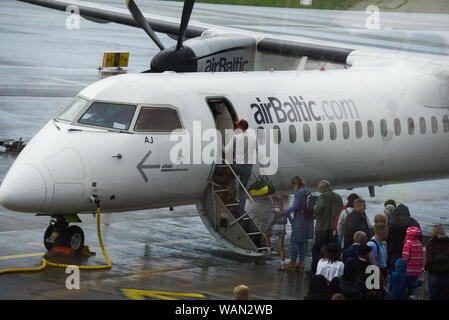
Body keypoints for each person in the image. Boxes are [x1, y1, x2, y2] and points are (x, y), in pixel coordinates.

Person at [224, 119, 257, 216]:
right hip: (248, 168)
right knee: (243, 190)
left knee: (231, 175)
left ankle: (232, 189)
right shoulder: (254, 138)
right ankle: (240, 210)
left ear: (239, 128)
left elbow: (226, 150)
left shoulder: (236, 137)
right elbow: (259, 151)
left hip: (237, 165)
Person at [311, 180, 343, 273]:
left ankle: (315, 269)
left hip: (322, 228)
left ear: (322, 188)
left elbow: (318, 208)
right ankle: (331, 269)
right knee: (331, 250)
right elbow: (341, 210)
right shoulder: (338, 197)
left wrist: (316, 215)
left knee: (317, 249)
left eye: (320, 189)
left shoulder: (322, 196)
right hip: (333, 228)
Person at [278, 177, 309, 271]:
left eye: (293, 185)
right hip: (306, 219)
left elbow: (294, 207)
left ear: (296, 184)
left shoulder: (298, 194)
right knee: (303, 243)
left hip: (299, 220)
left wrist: (282, 212)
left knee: (294, 242)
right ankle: (301, 263)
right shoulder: (307, 192)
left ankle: (293, 262)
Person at [387, 204, 421, 271]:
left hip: (395, 249)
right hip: (410, 251)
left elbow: (388, 235)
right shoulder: (414, 222)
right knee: (408, 271)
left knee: (395, 269)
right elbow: (419, 237)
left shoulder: (391, 220)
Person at [263, 195, 288, 269]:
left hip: (275, 229)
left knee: (267, 235)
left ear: (275, 202)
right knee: (281, 248)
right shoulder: (285, 210)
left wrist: (266, 229)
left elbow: (271, 221)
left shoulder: (274, 210)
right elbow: (289, 219)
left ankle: (269, 251)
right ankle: (282, 264)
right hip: (282, 229)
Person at [425, 225, 449, 300]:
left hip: (433, 274)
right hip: (446, 274)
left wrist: (426, 269)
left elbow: (429, 261)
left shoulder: (430, 245)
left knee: (434, 296)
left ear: (433, 233)